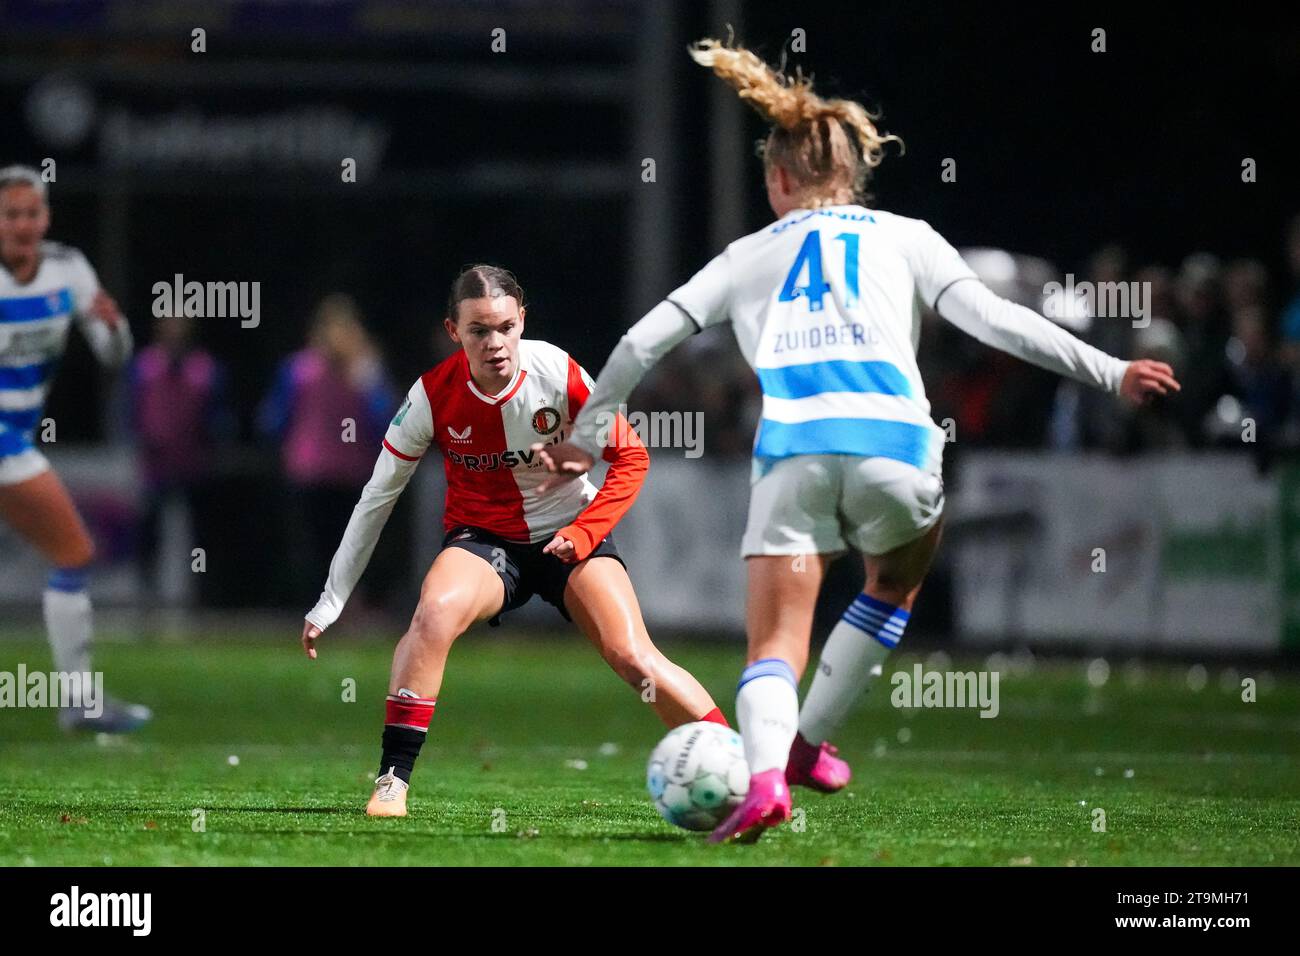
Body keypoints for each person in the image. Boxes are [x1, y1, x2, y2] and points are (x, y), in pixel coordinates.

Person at [535, 40, 1181, 843]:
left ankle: (769, 777)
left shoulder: (747, 254)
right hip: (899, 446)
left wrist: (591, 433)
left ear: (777, 180)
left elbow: (639, 343)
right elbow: (997, 322)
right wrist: (1112, 370)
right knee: (890, 585)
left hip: (793, 452)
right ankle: (804, 743)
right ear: (854, 171)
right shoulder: (906, 235)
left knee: (775, 640)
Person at [300, 264, 727, 817]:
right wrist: (332, 599)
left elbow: (631, 457)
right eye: (479, 330)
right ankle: (391, 783)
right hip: (483, 542)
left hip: (570, 533)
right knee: (433, 614)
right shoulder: (431, 397)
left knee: (633, 657)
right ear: (454, 332)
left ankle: (743, 770)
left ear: (522, 320)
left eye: (505, 326)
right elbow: (377, 498)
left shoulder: (559, 373)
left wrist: (584, 532)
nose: (495, 343)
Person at [0, 165, 151, 732]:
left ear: (45, 218)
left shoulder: (67, 268)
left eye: (30, 213)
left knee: (71, 555)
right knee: (72, 553)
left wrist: (112, 328)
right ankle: (79, 704)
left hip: (13, 438)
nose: (21, 224)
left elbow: (113, 352)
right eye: (10, 214)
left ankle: (80, 703)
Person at [258, 294, 398, 601]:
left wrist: (368, 382)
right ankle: (315, 604)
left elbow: (386, 421)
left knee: (352, 545)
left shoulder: (364, 372)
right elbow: (274, 419)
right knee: (314, 547)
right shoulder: (299, 370)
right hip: (311, 472)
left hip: (352, 473)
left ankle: (350, 603)